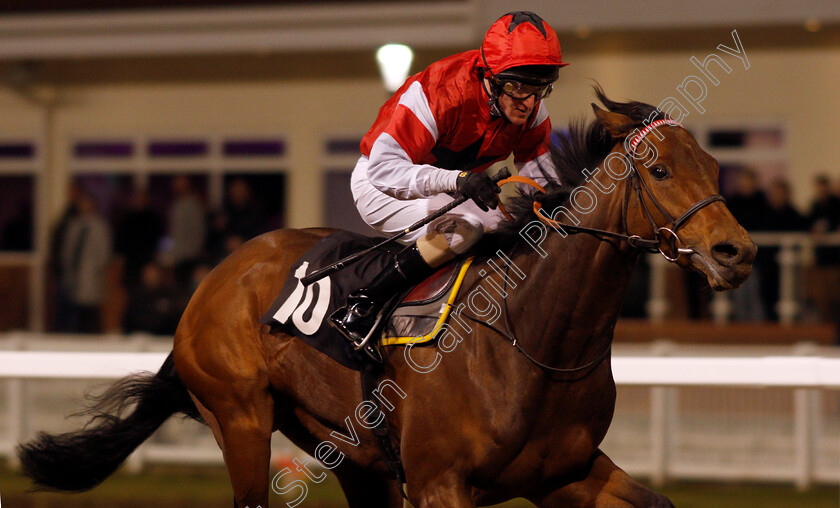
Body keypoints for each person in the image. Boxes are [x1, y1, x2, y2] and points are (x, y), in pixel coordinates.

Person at [330, 11, 568, 344]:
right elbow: (383, 170)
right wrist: (457, 181)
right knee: (467, 229)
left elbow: (544, 182)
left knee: (509, 231)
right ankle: (364, 304)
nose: (528, 101)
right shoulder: (439, 91)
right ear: (491, 77)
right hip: (381, 185)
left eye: (540, 89)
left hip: (450, 192)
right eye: (517, 86)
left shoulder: (529, 108)